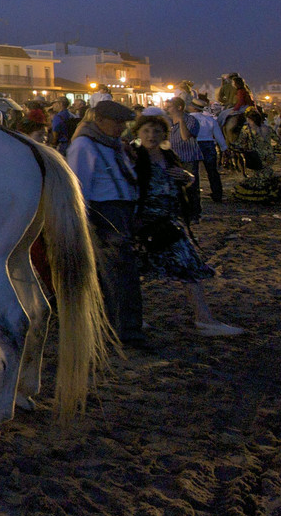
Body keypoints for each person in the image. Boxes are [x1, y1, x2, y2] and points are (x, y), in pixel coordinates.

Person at [128, 115, 244, 336]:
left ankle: (204, 319)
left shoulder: (168, 156)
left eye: (156, 131)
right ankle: (134, 318)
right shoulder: (133, 158)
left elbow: (184, 181)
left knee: (188, 267)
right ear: (138, 134)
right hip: (144, 225)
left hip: (169, 224)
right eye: (146, 131)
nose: (151, 136)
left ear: (165, 134)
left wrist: (186, 176)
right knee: (136, 273)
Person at [67, 99, 145, 345]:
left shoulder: (110, 144)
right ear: (99, 120)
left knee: (119, 273)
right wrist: (85, 221)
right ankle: (124, 331)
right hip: (105, 213)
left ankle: (122, 327)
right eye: (117, 122)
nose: (122, 126)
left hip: (120, 210)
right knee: (119, 274)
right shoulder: (84, 145)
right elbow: (79, 188)